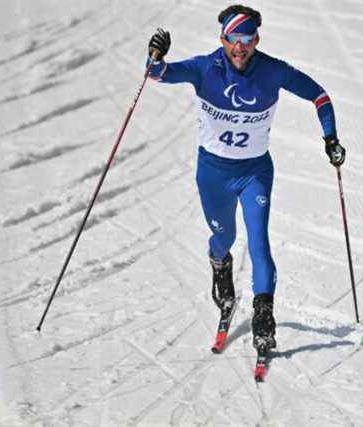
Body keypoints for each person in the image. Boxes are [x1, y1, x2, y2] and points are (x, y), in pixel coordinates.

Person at [146, 4, 345, 352]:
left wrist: (330, 136)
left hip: (254, 171)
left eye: (247, 39)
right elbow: (158, 74)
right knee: (224, 235)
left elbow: (320, 95)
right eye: (233, 39)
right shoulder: (205, 68)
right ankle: (219, 262)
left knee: (258, 242)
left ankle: (263, 316)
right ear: (222, 38)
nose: (240, 47)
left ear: (257, 38)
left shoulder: (272, 71)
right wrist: (155, 54)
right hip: (213, 174)